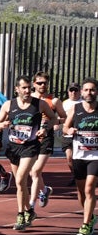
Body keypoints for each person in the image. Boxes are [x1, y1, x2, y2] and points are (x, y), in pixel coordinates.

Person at [0, 75, 56, 231]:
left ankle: (21, 214)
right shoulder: (9, 105)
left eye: (29, 88)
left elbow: (54, 119)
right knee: (19, 184)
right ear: (17, 89)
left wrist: (45, 128)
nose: (28, 90)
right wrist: (2, 124)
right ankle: (29, 210)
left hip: (31, 147)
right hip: (14, 147)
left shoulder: (39, 104)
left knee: (21, 178)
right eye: (24, 88)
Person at [62, 79, 98, 235]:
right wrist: (69, 129)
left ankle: (85, 225)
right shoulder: (76, 109)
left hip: (95, 156)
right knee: (81, 192)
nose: (89, 93)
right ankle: (90, 218)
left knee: (90, 188)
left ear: (96, 92)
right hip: (79, 155)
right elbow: (65, 127)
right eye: (86, 90)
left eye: (92, 90)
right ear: (82, 93)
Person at [30, 72, 66, 209]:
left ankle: (30, 206)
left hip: (46, 138)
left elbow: (64, 117)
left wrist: (54, 122)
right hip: (31, 139)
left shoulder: (54, 101)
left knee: (35, 171)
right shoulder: (29, 99)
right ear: (34, 84)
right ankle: (44, 190)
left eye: (45, 83)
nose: (42, 85)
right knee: (31, 171)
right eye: (39, 83)